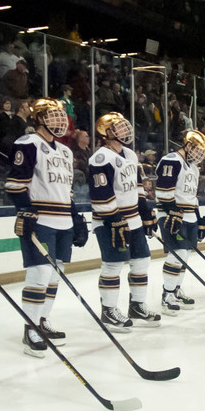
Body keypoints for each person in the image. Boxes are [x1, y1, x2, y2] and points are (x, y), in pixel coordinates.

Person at [5, 98, 88, 356]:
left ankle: (43, 319)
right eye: (52, 116)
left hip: (62, 219)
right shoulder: (28, 144)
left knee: (55, 274)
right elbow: (15, 185)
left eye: (61, 116)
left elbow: (67, 190)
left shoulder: (65, 151)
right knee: (39, 273)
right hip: (40, 219)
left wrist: (75, 218)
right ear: (39, 119)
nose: (60, 121)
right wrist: (25, 209)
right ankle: (30, 327)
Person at [88, 112, 158, 330]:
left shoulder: (129, 154)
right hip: (110, 221)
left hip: (133, 219)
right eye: (119, 128)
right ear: (107, 133)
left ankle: (136, 305)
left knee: (142, 261)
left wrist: (146, 213)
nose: (125, 131)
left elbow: (137, 187)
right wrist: (114, 219)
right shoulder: (100, 158)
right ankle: (108, 310)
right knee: (113, 264)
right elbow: (101, 194)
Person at [156, 129, 205, 311]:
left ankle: (176, 289)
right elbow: (163, 191)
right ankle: (167, 293)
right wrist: (172, 211)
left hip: (189, 215)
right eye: (196, 149)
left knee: (185, 254)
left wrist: (199, 217)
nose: (199, 155)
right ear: (187, 145)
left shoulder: (193, 167)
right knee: (177, 253)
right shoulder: (171, 160)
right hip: (172, 214)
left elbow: (192, 196)